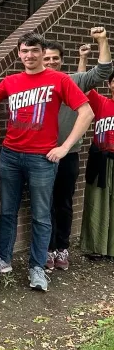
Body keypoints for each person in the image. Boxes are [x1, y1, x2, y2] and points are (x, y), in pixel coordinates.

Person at [0, 34, 93, 292]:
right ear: (19, 54)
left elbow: (87, 112)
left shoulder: (59, 79)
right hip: (11, 155)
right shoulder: (11, 81)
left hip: (42, 158)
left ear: (42, 52)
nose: (30, 55)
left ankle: (37, 267)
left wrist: (64, 147)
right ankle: (3, 259)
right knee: (7, 211)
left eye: (35, 51)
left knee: (41, 215)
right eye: (25, 51)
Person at [42, 27, 112, 271]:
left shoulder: (70, 81)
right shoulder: (31, 85)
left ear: (61, 62)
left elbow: (103, 71)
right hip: (39, 157)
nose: (50, 62)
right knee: (44, 205)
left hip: (68, 155)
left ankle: (61, 248)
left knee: (63, 203)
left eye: (55, 59)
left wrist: (102, 40)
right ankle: (47, 250)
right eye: (46, 58)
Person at [79, 74, 114, 258]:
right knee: (97, 203)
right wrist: (83, 59)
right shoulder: (101, 102)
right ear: (109, 85)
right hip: (100, 159)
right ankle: (96, 247)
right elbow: (83, 85)